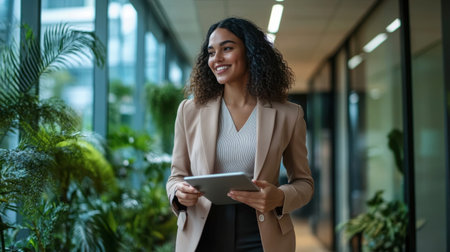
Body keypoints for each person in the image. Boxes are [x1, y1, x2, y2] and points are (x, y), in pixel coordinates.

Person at [166, 17, 313, 252]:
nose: (217, 59)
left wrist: (279, 197)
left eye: (227, 48)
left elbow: (304, 183)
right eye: (211, 53)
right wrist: (178, 193)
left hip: (262, 234)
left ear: (250, 53)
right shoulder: (189, 111)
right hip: (203, 231)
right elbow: (177, 176)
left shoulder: (288, 114)